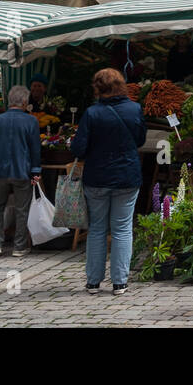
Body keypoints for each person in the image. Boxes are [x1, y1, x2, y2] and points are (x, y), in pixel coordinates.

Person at [70, 68, 146, 296]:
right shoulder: (134, 109)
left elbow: (78, 149)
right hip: (126, 176)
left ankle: (93, 282)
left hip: (97, 177)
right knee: (122, 229)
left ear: (97, 88)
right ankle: (120, 282)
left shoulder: (92, 114)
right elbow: (140, 140)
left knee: (97, 229)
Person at [0, 85, 41, 259]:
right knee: (22, 210)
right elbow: (35, 150)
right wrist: (35, 170)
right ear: (24, 102)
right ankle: (19, 247)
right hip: (22, 170)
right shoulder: (31, 121)